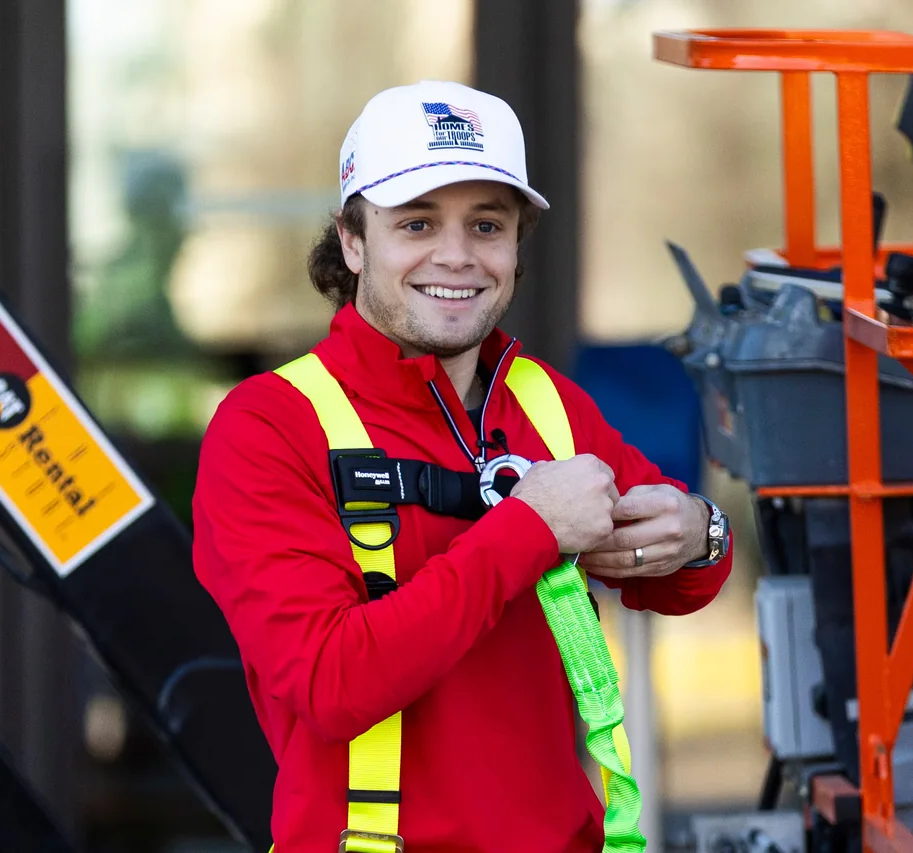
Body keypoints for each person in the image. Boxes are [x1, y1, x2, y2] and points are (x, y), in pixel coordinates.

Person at [192, 80, 733, 852]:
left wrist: (700, 531)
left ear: (516, 245)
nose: (457, 255)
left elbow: (682, 581)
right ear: (352, 239)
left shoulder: (545, 403)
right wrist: (529, 529)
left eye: (487, 224)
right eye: (416, 222)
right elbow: (330, 684)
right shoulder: (270, 426)